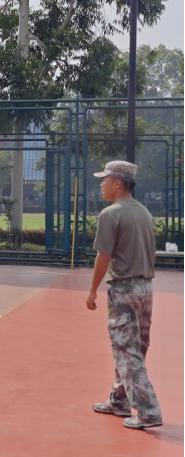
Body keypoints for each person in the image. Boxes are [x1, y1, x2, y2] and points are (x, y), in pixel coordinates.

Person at [87, 161, 163, 430]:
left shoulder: (110, 214)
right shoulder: (144, 213)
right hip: (145, 287)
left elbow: (103, 256)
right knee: (135, 347)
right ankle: (119, 400)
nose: (102, 184)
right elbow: (152, 254)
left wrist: (92, 290)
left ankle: (148, 411)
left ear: (117, 183)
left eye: (105, 180)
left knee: (125, 348)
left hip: (124, 289)